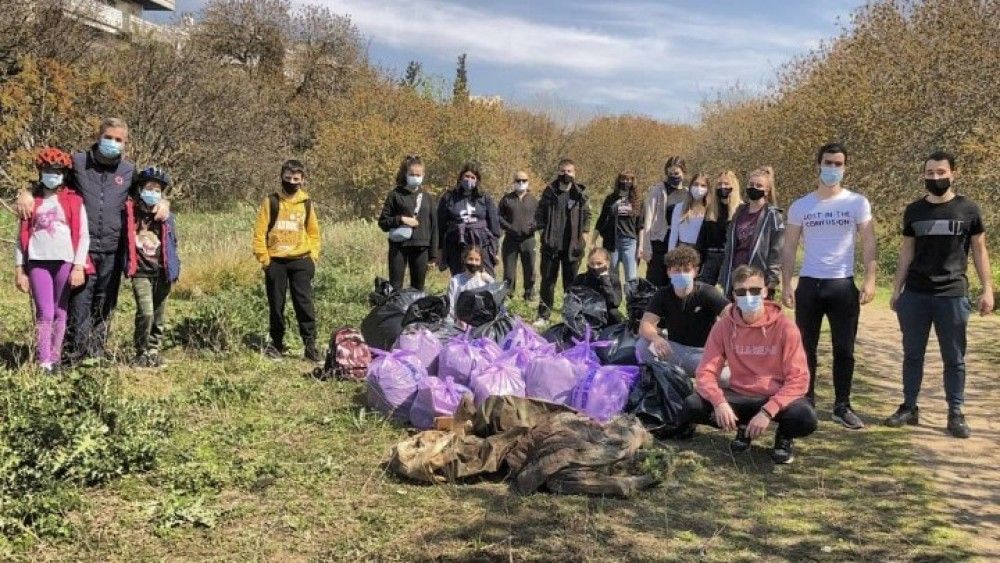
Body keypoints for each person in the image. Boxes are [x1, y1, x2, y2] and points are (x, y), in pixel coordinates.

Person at [15, 117, 170, 364]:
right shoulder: (78, 162)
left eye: (119, 140)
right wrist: (26, 192)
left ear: (125, 143)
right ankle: (74, 353)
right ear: (99, 137)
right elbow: (52, 175)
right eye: (109, 137)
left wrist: (164, 202)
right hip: (80, 248)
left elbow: (145, 197)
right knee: (79, 301)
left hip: (113, 247)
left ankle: (96, 355)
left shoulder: (128, 171)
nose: (113, 143)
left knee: (105, 302)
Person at [885, 151, 993, 438]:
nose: (935, 178)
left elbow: (980, 251)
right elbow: (906, 252)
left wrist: (988, 290)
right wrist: (897, 289)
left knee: (954, 357)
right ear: (924, 175)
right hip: (916, 294)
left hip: (953, 294)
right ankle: (909, 407)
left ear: (952, 174)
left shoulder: (968, 209)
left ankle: (955, 412)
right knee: (912, 354)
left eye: (940, 172)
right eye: (930, 173)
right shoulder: (913, 211)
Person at [680, 265, 817, 464]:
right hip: (739, 394)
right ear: (734, 295)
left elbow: (799, 378)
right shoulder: (723, 326)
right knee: (692, 405)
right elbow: (705, 373)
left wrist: (768, 411)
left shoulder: (785, 327)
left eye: (754, 290)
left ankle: (784, 437)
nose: (748, 296)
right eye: (741, 292)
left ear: (765, 292)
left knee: (805, 417)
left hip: (773, 396)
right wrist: (719, 402)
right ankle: (743, 427)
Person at [782, 143, 877, 429]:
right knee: (805, 348)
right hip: (809, 284)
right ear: (818, 164)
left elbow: (869, 242)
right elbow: (788, 247)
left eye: (838, 164)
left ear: (845, 167)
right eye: (828, 163)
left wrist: (870, 278)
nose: (832, 168)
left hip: (842, 285)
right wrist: (787, 282)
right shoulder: (801, 205)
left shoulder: (857, 203)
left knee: (844, 349)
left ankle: (842, 406)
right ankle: (806, 400)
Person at [14, 147, 90, 372]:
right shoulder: (31, 202)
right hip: (38, 261)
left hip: (65, 261)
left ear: (64, 174)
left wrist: (78, 265)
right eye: (48, 170)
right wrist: (20, 268)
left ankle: (55, 358)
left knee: (60, 311)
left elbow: (84, 234)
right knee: (45, 312)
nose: (52, 175)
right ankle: (43, 360)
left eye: (57, 171)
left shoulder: (74, 201)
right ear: (40, 172)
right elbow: (20, 238)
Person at [252, 159, 321, 362]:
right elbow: (259, 233)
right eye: (288, 178)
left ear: (302, 180)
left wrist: (313, 257)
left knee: (304, 304)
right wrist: (265, 260)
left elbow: (314, 233)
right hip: (276, 262)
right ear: (281, 177)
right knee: (276, 304)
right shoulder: (271, 202)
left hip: (301, 261)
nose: (291, 182)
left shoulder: (306, 203)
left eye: (296, 179)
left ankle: (310, 346)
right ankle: (277, 344)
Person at [636, 246, 729, 381]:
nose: (681, 274)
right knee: (642, 345)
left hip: (703, 354)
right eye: (677, 270)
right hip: (674, 350)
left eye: (686, 270)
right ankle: (665, 378)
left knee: (726, 377)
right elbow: (645, 324)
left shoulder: (708, 292)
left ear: (695, 271)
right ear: (669, 272)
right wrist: (657, 339)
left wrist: (725, 348)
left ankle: (703, 378)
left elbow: (732, 316)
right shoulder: (662, 294)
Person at [122, 167, 181, 368]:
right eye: (149, 188)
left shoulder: (166, 217)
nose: (153, 193)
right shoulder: (131, 213)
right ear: (140, 189)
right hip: (140, 271)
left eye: (157, 190)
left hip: (162, 271)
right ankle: (140, 350)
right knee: (145, 312)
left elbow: (173, 244)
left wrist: (166, 204)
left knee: (158, 314)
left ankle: (154, 350)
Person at [534, 158, 591, 326]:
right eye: (562, 171)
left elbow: (588, 215)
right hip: (551, 246)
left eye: (569, 171)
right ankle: (543, 316)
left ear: (574, 173)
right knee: (548, 282)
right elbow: (539, 213)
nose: (565, 174)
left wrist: (585, 237)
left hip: (572, 247)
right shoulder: (549, 191)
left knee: (571, 284)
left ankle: (570, 316)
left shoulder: (580, 194)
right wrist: (543, 232)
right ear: (558, 172)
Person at [720, 166, 784, 298]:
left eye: (759, 185)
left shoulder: (773, 215)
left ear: (767, 190)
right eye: (751, 184)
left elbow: (776, 251)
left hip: (757, 275)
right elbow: (731, 245)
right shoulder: (739, 211)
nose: (754, 187)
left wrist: (772, 280)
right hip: (735, 275)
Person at [378, 155, 438, 291]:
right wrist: (401, 219)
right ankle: (396, 311)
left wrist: (433, 255)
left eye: (418, 174)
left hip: (421, 247)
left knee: (418, 288)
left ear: (423, 175)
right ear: (405, 174)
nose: (415, 177)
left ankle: (415, 311)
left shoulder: (428, 198)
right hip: (399, 247)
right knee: (395, 287)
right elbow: (383, 222)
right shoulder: (395, 195)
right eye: (412, 174)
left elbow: (434, 227)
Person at [437, 161, 501, 276]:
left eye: (473, 177)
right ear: (461, 177)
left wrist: (495, 249)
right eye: (467, 176)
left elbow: (494, 225)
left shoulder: (484, 198)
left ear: (477, 180)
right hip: (457, 244)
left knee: (486, 276)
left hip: (482, 244)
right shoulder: (449, 197)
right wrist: (439, 250)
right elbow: (440, 225)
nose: (469, 179)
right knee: (460, 276)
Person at [640, 156, 688, 287]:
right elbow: (648, 218)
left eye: (676, 173)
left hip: (678, 244)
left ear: (684, 172)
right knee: (655, 284)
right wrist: (646, 247)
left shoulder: (687, 194)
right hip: (659, 243)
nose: (673, 176)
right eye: (670, 174)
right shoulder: (658, 190)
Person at [593, 172, 644, 282]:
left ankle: (631, 299)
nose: (626, 182)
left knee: (631, 277)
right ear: (618, 181)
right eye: (623, 179)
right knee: (612, 277)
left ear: (633, 182)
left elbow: (640, 226)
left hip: (630, 243)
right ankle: (614, 299)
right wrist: (593, 241)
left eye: (629, 179)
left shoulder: (637, 201)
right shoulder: (610, 199)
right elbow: (601, 220)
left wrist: (641, 246)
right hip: (612, 242)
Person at [696, 170, 742, 286]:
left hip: (730, 259)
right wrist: (697, 262)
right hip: (710, 258)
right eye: (720, 184)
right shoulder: (711, 209)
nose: (723, 187)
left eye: (726, 184)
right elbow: (702, 239)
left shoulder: (741, 210)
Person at [498, 171, 538, 300]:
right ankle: (508, 295)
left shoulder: (534, 200)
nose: (521, 183)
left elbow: (541, 217)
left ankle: (529, 294)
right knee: (509, 270)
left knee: (530, 269)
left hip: (528, 240)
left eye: (524, 180)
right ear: (513, 182)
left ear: (528, 182)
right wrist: (510, 227)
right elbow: (498, 217)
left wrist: (534, 226)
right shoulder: (506, 199)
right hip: (510, 240)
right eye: (518, 181)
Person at [570, 247, 623, 325]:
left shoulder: (613, 279)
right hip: (586, 315)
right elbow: (571, 298)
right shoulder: (581, 278)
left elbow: (615, 303)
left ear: (607, 263)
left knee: (614, 314)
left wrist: (605, 280)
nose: (595, 267)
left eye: (599, 263)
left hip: (606, 315)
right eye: (592, 264)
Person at [446, 245, 496, 328]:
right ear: (464, 259)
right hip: (460, 325)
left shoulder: (486, 281)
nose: (473, 263)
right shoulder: (455, 281)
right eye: (470, 259)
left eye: (477, 260)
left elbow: (494, 306)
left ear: (481, 262)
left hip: (482, 326)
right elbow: (450, 306)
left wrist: (491, 281)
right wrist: (452, 325)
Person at [667, 172, 710, 251]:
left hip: (701, 252)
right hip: (682, 251)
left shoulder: (710, 211)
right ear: (690, 186)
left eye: (703, 185)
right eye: (696, 184)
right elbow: (673, 235)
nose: (699, 188)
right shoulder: (679, 207)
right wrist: (670, 255)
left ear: (708, 189)